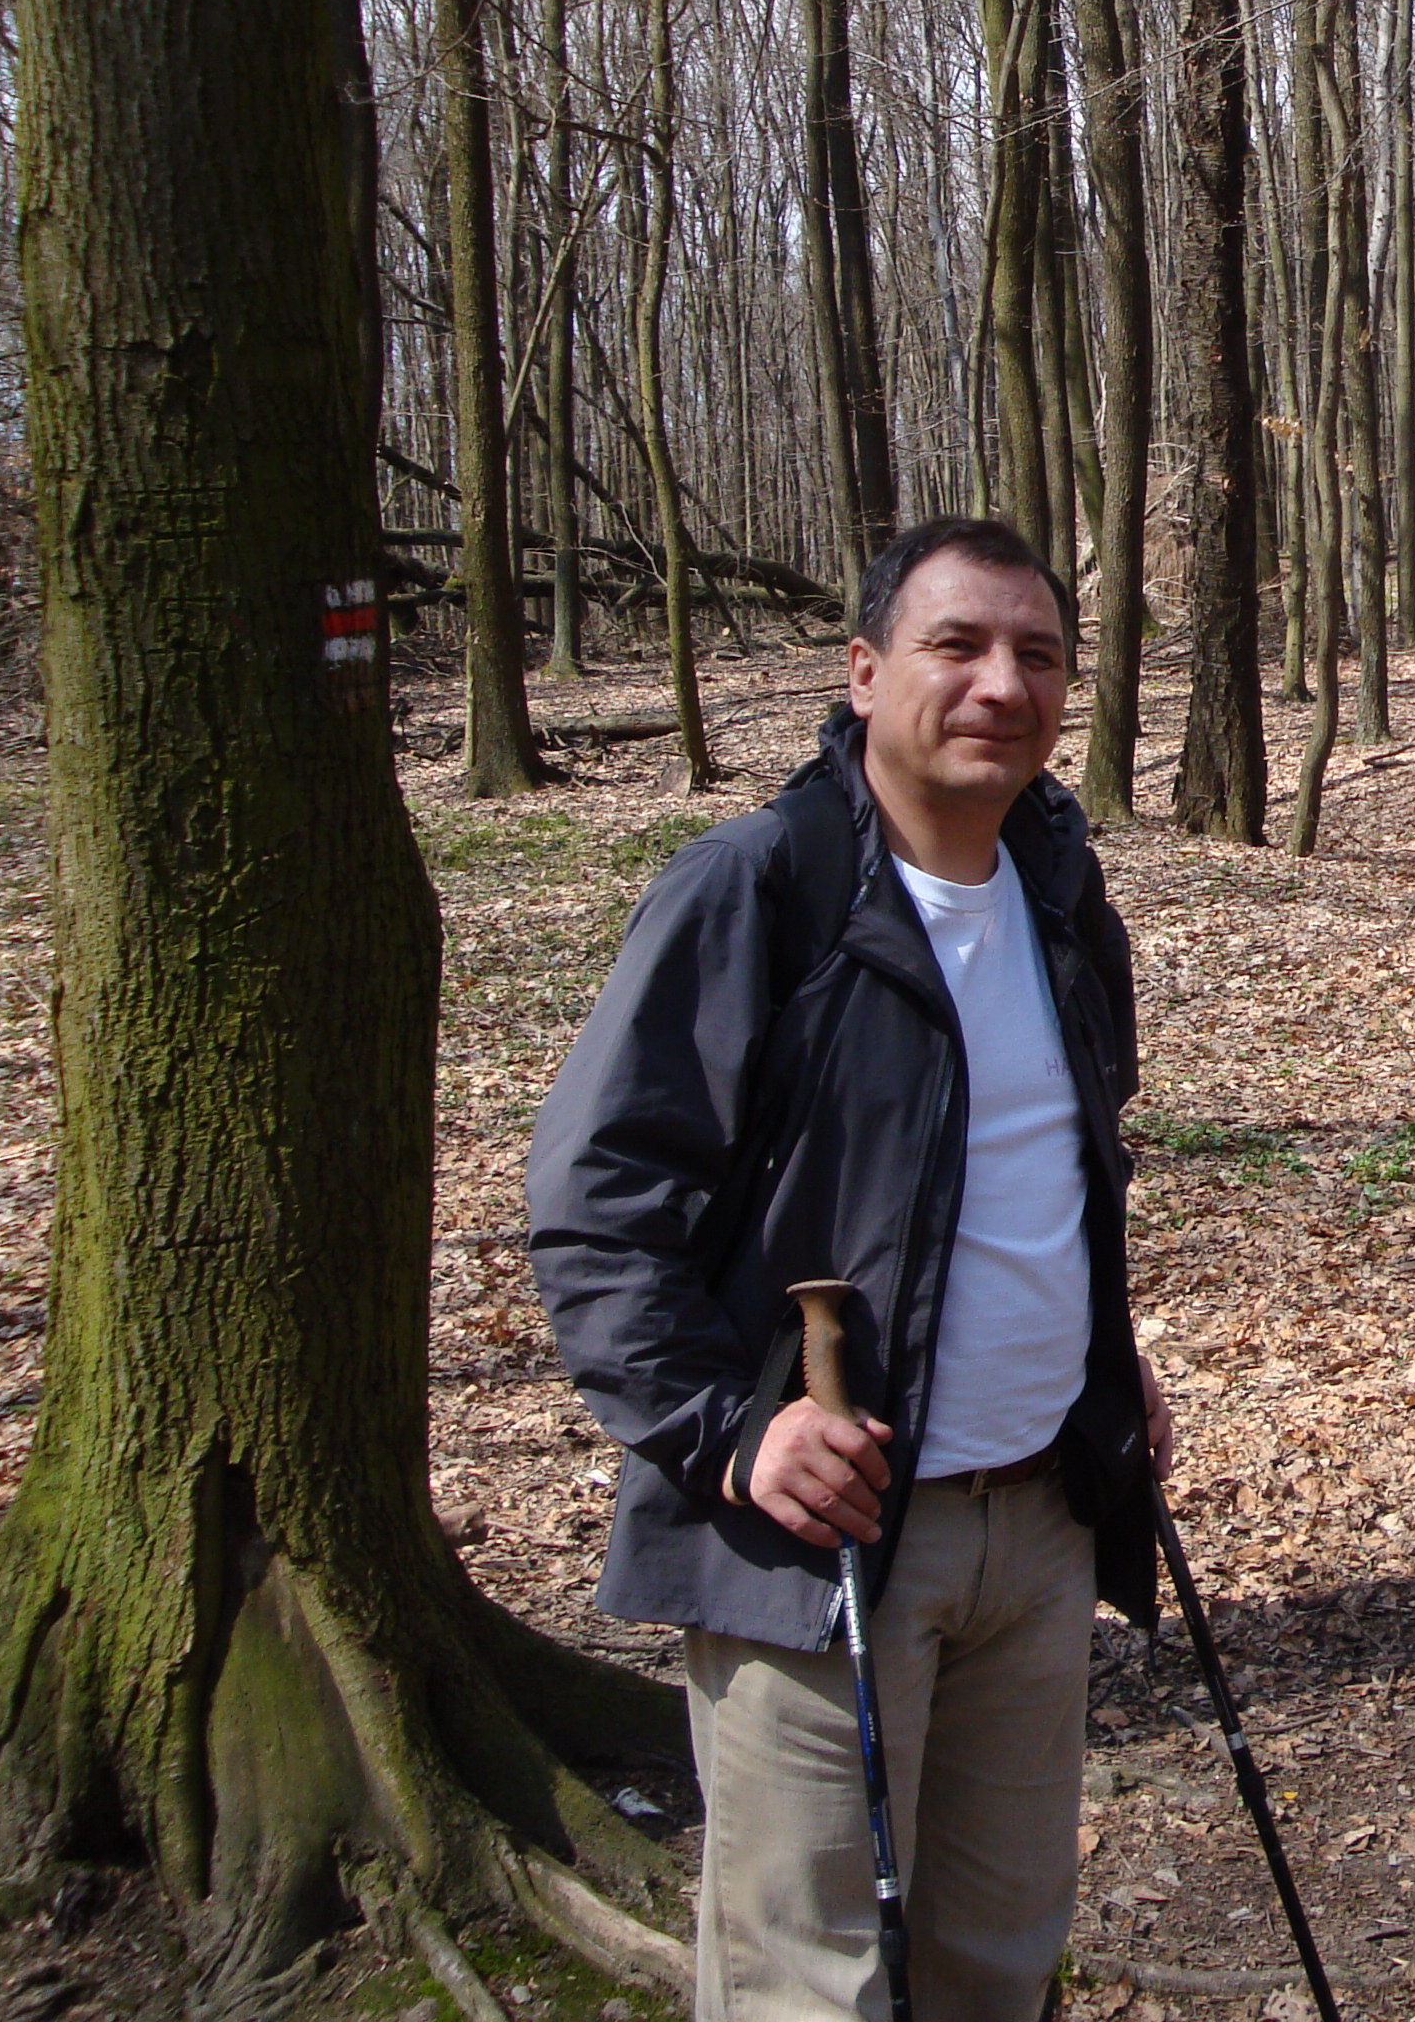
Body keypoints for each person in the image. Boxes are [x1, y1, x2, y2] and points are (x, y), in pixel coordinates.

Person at [531, 515, 1173, 2021]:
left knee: (996, 1959)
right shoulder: (764, 889)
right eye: (958, 645)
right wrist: (729, 1429)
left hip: (1041, 1517)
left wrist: (1105, 1357)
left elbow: (1046, 1170)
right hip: (824, 1542)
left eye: (1038, 654)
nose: (1001, 683)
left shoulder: (1062, 895)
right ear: (867, 670)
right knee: (806, 1983)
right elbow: (595, 1199)